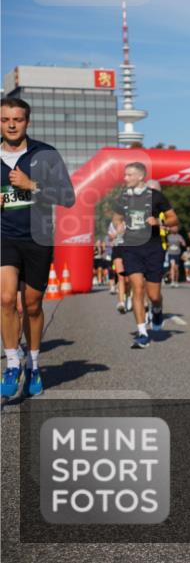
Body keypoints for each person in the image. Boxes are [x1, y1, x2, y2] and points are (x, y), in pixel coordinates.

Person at [1, 97, 75, 397]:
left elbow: (68, 197)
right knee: (5, 299)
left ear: (27, 122)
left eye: (17, 119)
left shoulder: (45, 154)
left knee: (31, 305)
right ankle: (12, 363)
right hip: (4, 236)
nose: (11, 124)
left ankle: (33, 364)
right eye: (5, 119)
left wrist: (32, 186)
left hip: (38, 238)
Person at [113, 162, 178, 348]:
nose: (125, 178)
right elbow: (117, 217)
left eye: (129, 175)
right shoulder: (123, 197)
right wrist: (119, 225)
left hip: (153, 248)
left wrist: (159, 220)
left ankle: (157, 309)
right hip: (131, 247)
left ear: (140, 177)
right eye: (125, 175)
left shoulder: (156, 196)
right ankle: (142, 332)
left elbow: (174, 218)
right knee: (137, 286)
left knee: (154, 294)